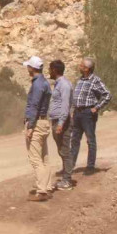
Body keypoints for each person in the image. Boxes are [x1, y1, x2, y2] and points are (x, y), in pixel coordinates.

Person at [70, 57, 112, 176]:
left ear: (87, 69)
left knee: (90, 140)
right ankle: (70, 166)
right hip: (78, 113)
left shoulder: (95, 80)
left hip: (88, 114)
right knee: (74, 140)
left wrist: (96, 107)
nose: (80, 67)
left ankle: (90, 166)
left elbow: (107, 95)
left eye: (82, 65)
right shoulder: (80, 80)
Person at [23, 56, 54, 202]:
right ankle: (46, 187)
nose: (27, 69)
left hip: (36, 124)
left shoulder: (36, 85)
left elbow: (34, 106)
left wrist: (30, 127)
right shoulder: (45, 83)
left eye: (28, 66)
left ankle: (41, 192)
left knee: (35, 159)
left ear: (32, 68)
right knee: (44, 158)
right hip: (44, 122)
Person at [48, 60, 74, 190]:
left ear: (54, 70)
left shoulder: (64, 85)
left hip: (61, 122)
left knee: (65, 151)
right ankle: (65, 177)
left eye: (50, 69)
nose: (48, 72)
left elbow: (65, 105)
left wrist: (61, 123)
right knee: (62, 151)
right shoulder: (59, 84)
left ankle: (67, 181)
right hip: (57, 120)